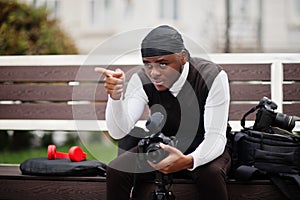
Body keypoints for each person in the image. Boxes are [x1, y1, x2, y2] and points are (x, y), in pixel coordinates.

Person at [95, 25, 231, 200]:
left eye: (163, 64)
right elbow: (118, 131)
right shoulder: (141, 79)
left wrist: (189, 161)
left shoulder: (212, 75)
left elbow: (215, 137)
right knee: (117, 169)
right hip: (163, 145)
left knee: (210, 174)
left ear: (183, 58)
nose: (154, 73)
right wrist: (115, 98)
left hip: (205, 145)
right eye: (148, 65)